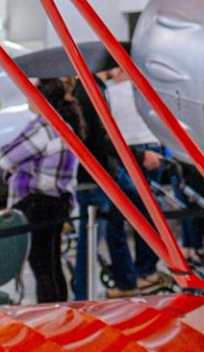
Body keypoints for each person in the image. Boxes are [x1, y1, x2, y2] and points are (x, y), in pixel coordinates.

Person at [0, 79, 80, 303]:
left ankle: (49, 317)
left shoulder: (43, 128)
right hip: (60, 201)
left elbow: (5, 157)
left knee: (41, 267)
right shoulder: (66, 125)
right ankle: (60, 312)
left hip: (38, 204)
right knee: (52, 264)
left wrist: (18, 165)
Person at [103, 65, 169, 292]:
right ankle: (147, 270)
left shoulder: (109, 93)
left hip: (126, 153)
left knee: (119, 216)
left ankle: (127, 275)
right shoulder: (147, 91)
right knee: (149, 213)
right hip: (153, 150)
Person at [72, 79, 138, 298]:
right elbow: (98, 138)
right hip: (97, 176)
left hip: (104, 174)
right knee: (90, 243)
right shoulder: (89, 91)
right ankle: (83, 297)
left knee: (112, 230)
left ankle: (127, 281)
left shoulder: (94, 88)